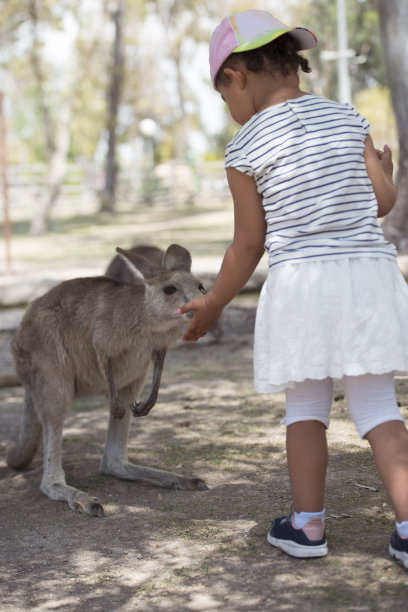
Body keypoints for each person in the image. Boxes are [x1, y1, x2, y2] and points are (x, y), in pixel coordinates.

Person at [177, 9, 408, 567]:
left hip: (303, 287)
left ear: (235, 76)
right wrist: (387, 173)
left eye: (222, 96)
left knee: (304, 406)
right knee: (377, 404)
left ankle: (307, 527)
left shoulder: (245, 147)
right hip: (366, 279)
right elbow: (380, 205)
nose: (229, 111)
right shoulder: (347, 119)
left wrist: (212, 302)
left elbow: (248, 246)